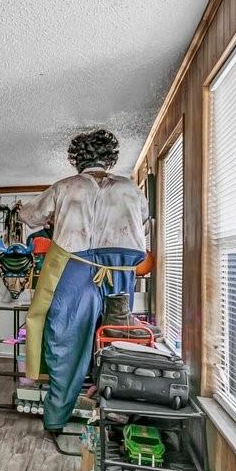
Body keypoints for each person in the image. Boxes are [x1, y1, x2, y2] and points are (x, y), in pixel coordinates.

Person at [16, 129, 148, 452]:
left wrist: (24, 210)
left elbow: (30, 216)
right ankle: (116, 422)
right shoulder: (131, 188)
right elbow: (143, 217)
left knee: (66, 345)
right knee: (117, 344)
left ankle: (56, 421)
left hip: (75, 266)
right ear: (110, 159)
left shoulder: (65, 186)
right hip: (121, 269)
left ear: (77, 159)